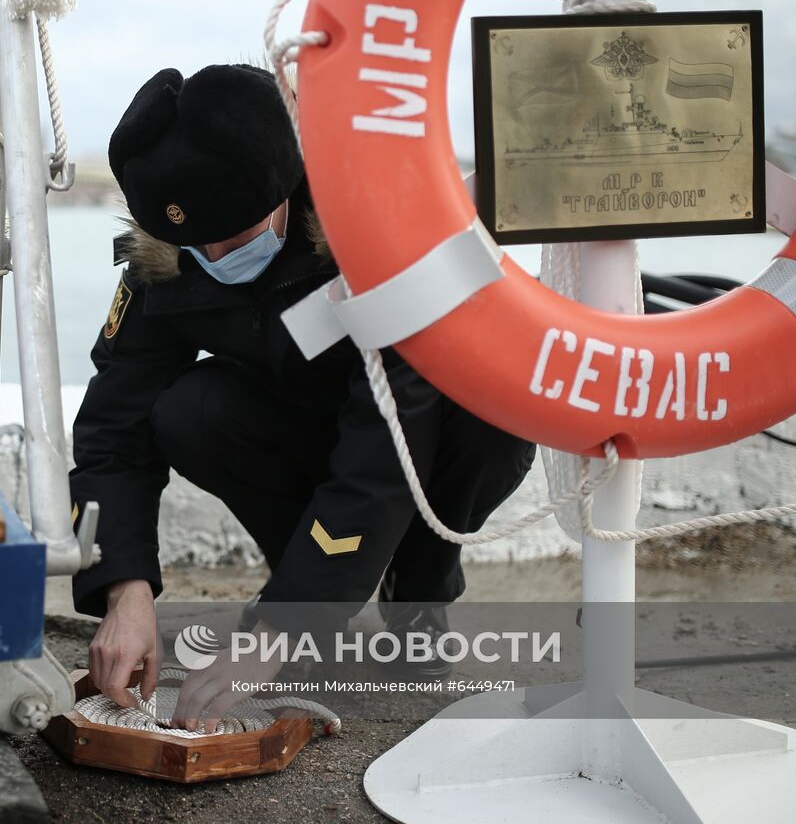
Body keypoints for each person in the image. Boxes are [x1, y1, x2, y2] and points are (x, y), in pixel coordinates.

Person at [68, 64, 537, 732]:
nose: (216, 252)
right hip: (294, 423)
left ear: (284, 184)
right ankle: (303, 589)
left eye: (236, 231)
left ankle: (418, 590)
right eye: (196, 241)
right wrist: (125, 588)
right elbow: (113, 425)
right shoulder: (166, 254)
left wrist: (280, 626)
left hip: (422, 426)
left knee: (493, 421)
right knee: (186, 410)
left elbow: (390, 438)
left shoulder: (373, 227)